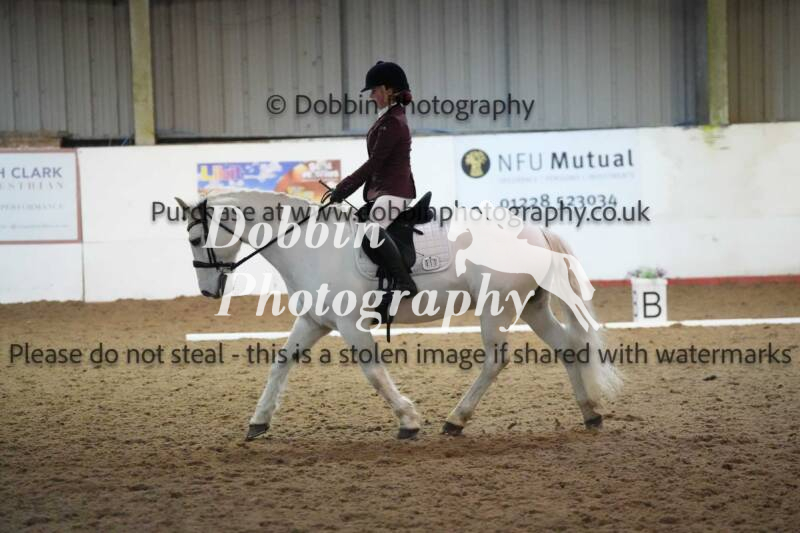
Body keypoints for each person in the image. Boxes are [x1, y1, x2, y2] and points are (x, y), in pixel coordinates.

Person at [323, 60, 419, 305]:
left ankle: (404, 283)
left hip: (395, 191)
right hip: (385, 191)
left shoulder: (393, 122)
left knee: (372, 232)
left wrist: (344, 188)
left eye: (374, 90)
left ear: (389, 90)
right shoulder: (387, 118)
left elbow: (374, 163)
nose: (371, 96)